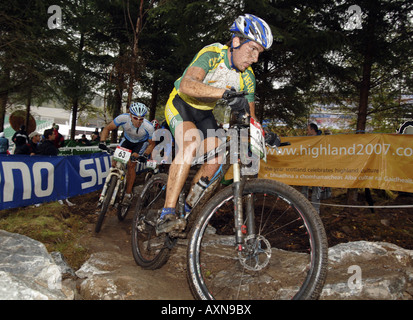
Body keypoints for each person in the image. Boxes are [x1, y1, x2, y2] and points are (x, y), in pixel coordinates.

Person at [158, 14, 273, 230]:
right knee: (190, 143)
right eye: (253, 49)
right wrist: (225, 94)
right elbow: (187, 84)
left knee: (218, 157)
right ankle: (167, 213)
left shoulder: (248, 77)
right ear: (237, 41)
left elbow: (250, 115)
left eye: (260, 53)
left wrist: (263, 133)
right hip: (181, 104)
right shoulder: (213, 54)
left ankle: (187, 213)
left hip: (205, 114)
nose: (255, 59)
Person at [99, 102, 156, 205]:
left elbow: (152, 144)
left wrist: (145, 155)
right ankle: (114, 181)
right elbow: (107, 128)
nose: (138, 122)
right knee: (115, 162)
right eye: (135, 118)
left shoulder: (149, 127)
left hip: (140, 144)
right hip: (126, 141)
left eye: (141, 119)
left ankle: (127, 194)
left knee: (131, 165)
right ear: (130, 115)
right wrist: (102, 142)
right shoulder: (122, 118)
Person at [302, 123, 324, 214]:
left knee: (316, 192)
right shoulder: (305, 140)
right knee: (304, 191)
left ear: (312, 130)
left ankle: (315, 214)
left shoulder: (321, 140)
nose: (307, 132)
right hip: (306, 169)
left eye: (308, 130)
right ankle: (304, 212)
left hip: (317, 169)